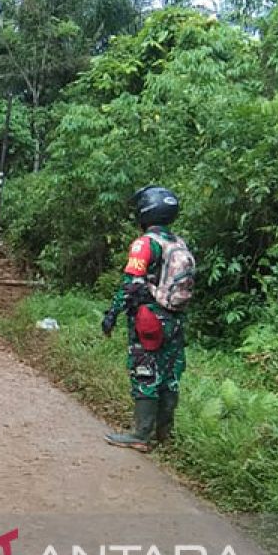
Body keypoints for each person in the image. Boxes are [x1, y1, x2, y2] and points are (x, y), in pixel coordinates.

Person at [101, 186, 195, 452]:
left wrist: (112, 315)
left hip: (149, 319)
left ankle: (141, 434)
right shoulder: (179, 243)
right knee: (170, 373)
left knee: (145, 370)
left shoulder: (145, 244)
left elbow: (131, 285)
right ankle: (164, 434)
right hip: (175, 319)